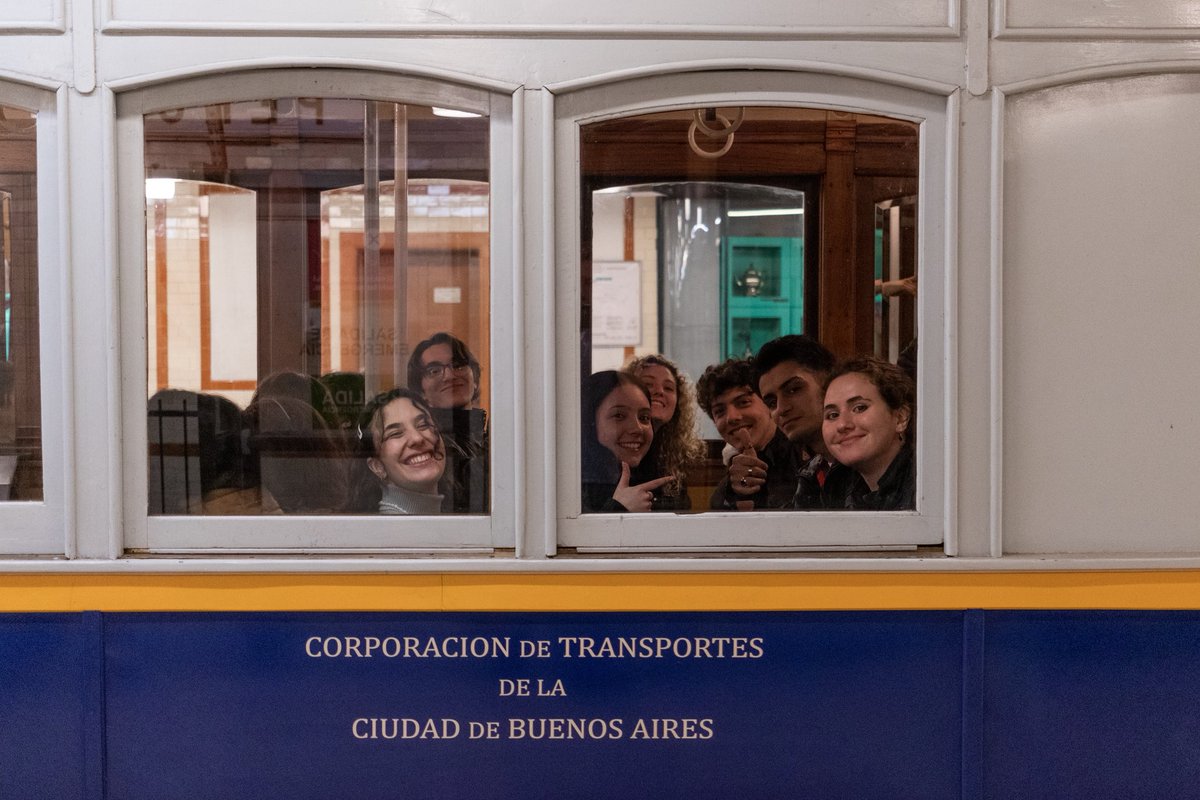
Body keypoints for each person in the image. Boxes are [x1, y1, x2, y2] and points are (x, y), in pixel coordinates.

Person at [696, 358, 808, 510]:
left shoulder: (805, 452)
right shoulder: (725, 492)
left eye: (743, 402)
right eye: (719, 411)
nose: (732, 417)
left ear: (768, 404)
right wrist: (737, 492)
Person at [816, 356, 915, 510]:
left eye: (859, 408)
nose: (842, 424)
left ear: (900, 418)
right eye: (832, 415)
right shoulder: (837, 485)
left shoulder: (929, 486)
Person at [407, 332, 488, 513]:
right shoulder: (427, 444)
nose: (450, 375)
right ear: (421, 392)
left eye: (458, 365)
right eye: (434, 371)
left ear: (474, 378)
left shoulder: (490, 435)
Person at [580, 370, 672, 513]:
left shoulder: (658, 481)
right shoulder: (570, 488)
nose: (637, 429)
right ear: (589, 423)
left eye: (644, 417)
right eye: (619, 415)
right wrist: (620, 507)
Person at [624, 354, 705, 511]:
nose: (659, 391)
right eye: (648, 384)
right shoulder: (617, 448)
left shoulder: (672, 456)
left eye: (668, 388)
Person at [358, 387, 447, 515]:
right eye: (396, 433)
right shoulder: (386, 532)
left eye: (423, 425)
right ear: (377, 466)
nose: (417, 438)